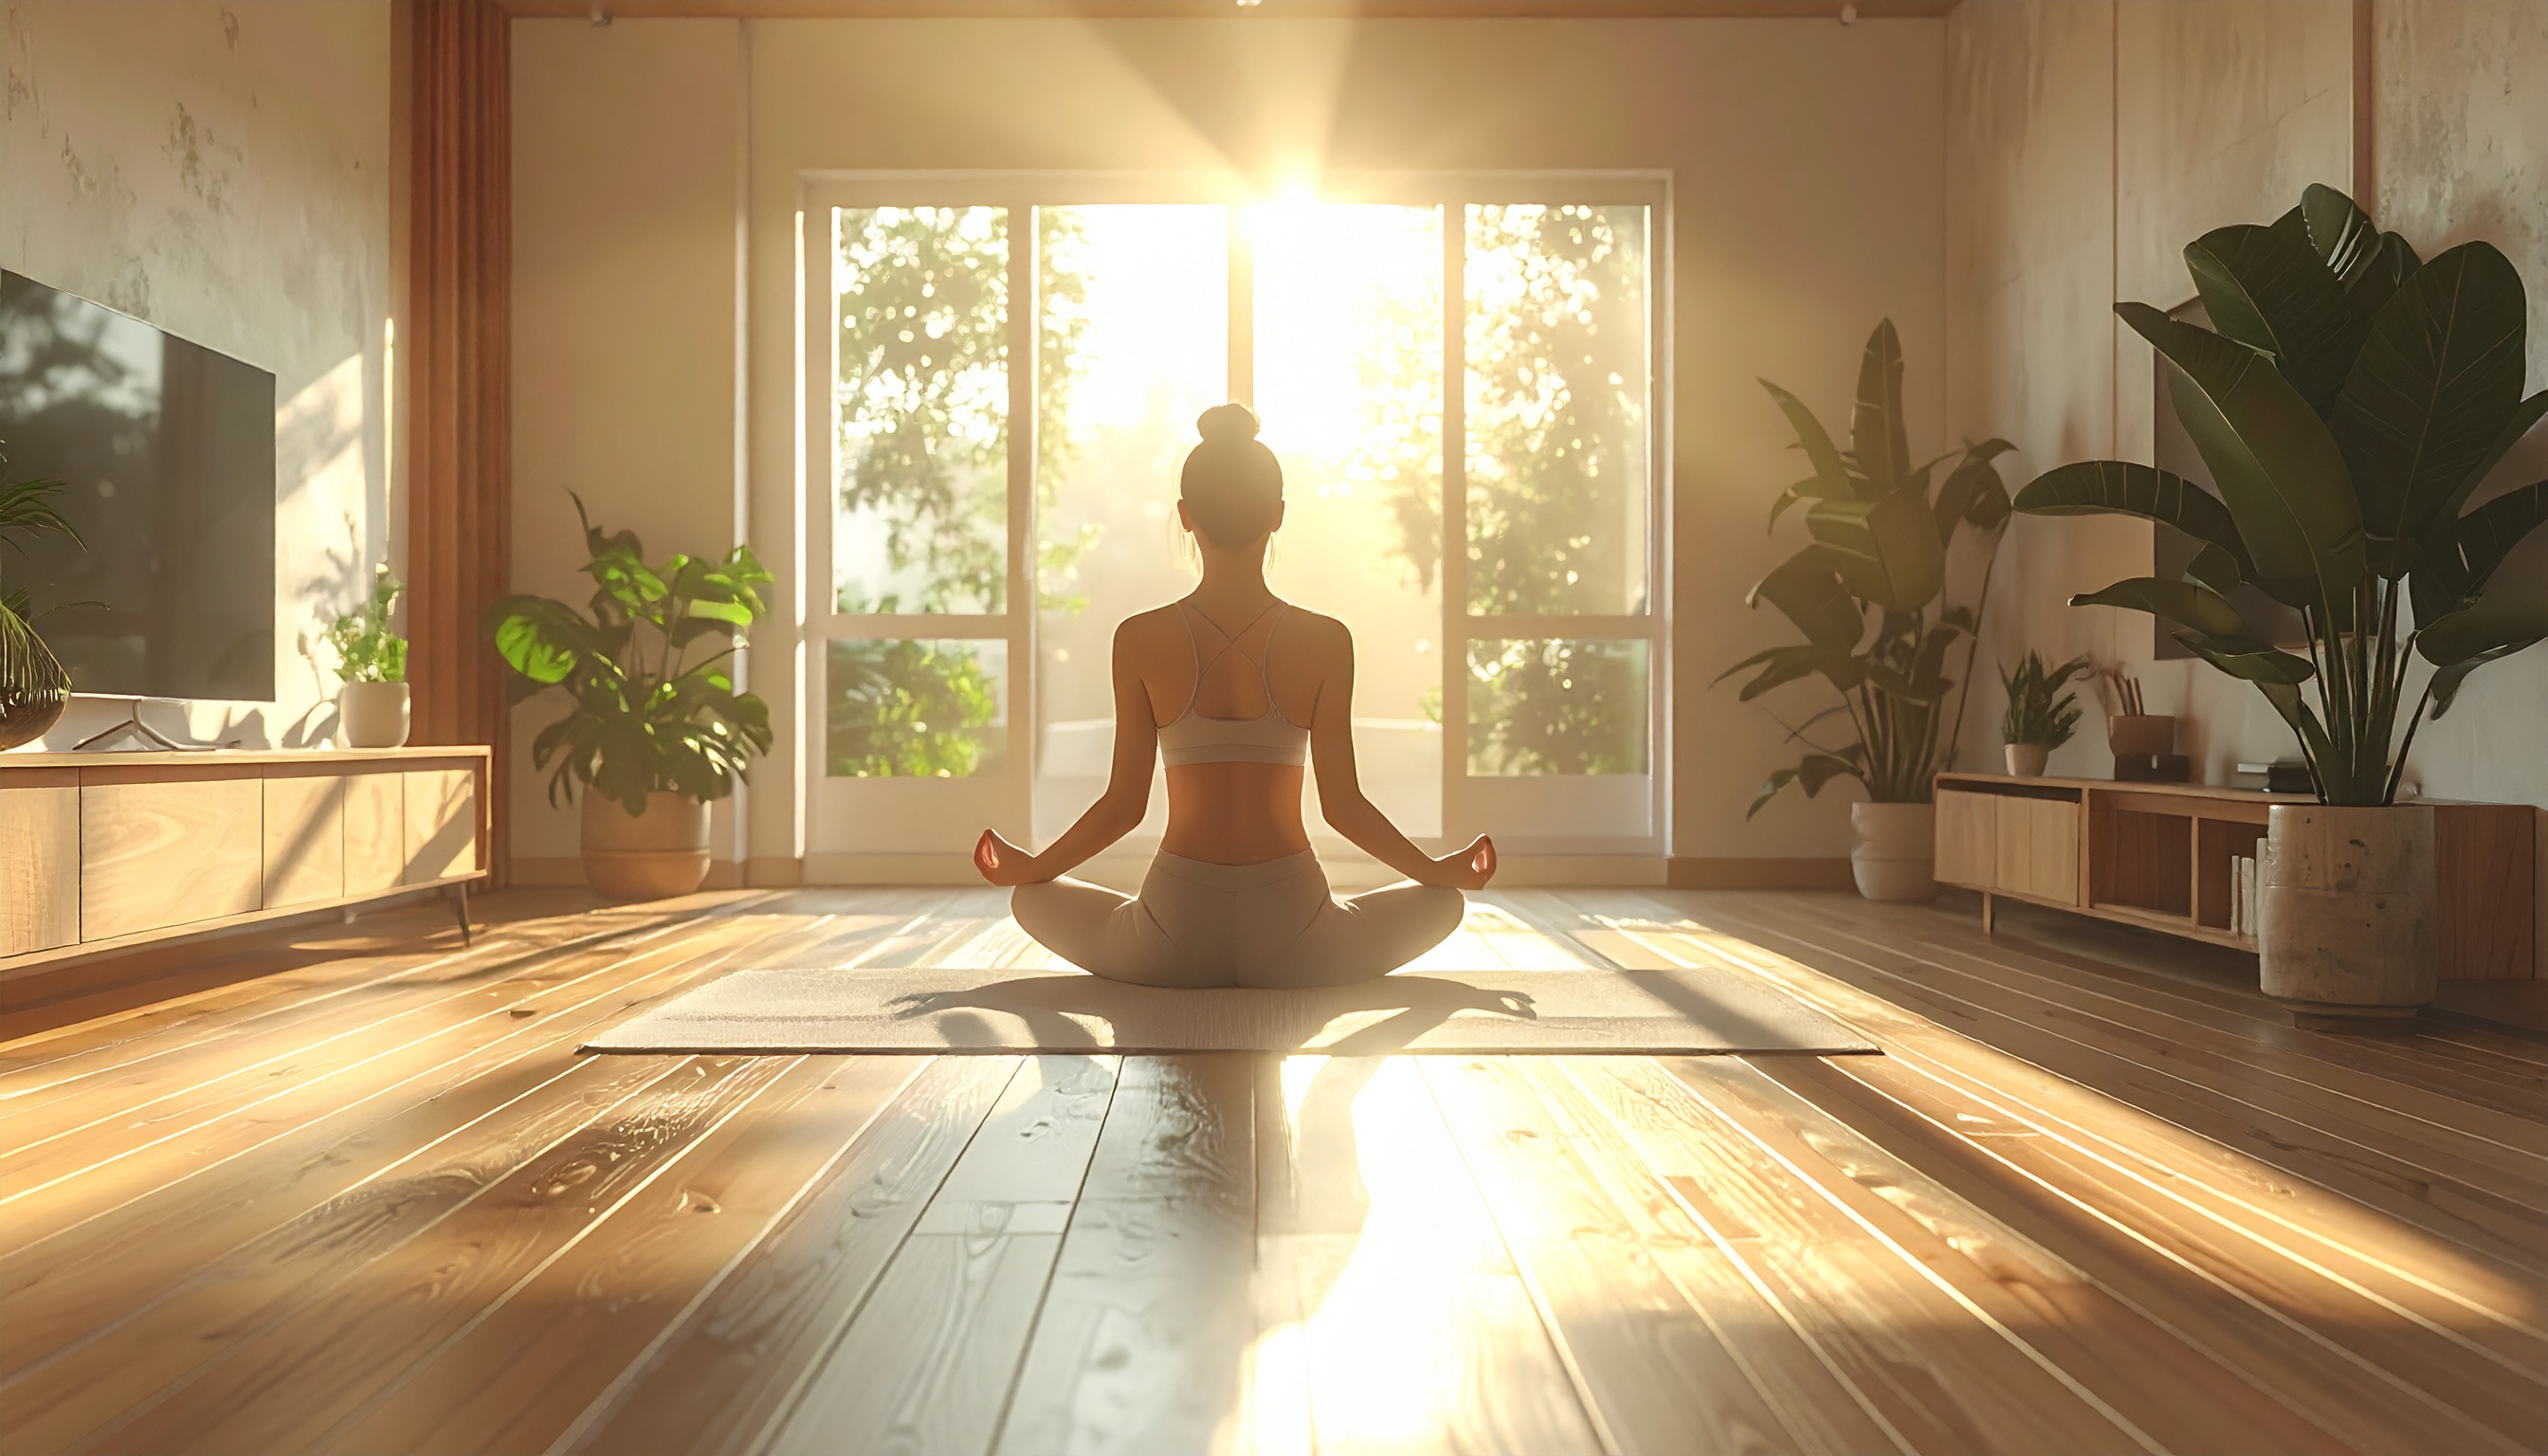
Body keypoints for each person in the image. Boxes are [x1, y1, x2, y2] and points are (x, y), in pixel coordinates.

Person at [975, 403, 1495, 989]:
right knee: (1444, 902)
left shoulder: (1139, 639)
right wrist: (1433, 870)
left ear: (1185, 516)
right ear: (1277, 515)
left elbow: (1124, 807)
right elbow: (1343, 807)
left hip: (1171, 936)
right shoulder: (1326, 641)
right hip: (1299, 938)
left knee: (1030, 897)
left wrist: (1035, 867)